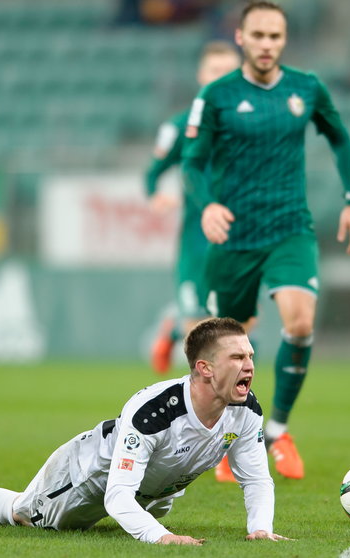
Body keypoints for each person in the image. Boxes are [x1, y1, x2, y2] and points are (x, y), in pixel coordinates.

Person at [181, 1, 350, 481]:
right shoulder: (217, 95)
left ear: (285, 40)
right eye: (258, 35)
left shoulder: (307, 87)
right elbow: (192, 162)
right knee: (228, 347)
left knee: (300, 322)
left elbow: (340, 137)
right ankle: (227, 439)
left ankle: (277, 430)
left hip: (290, 228)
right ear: (240, 38)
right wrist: (207, 206)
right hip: (235, 237)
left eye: (275, 36)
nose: (267, 44)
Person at [0, 317, 289, 545]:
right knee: (24, 515)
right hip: (87, 476)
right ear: (205, 368)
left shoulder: (244, 409)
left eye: (250, 355)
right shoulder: (154, 411)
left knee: (128, 516)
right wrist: (163, 539)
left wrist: (260, 528)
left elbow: (256, 479)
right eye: (237, 358)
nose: (250, 366)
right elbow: (116, 495)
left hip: (151, 492)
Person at [146, 41, 241, 374]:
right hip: (196, 241)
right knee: (200, 334)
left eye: (230, 73)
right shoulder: (180, 126)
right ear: (202, 75)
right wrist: (154, 192)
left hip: (239, 239)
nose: (222, 79)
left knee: (233, 328)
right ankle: (203, 418)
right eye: (216, 71)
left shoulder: (253, 127)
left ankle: (171, 330)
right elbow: (154, 171)